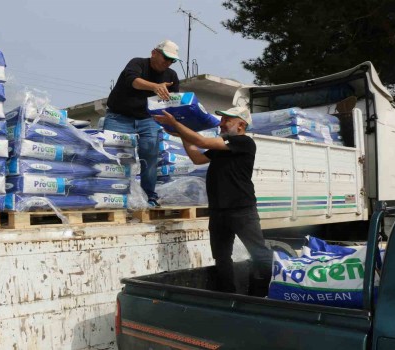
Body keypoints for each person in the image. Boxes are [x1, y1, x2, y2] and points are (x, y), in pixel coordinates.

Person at [153, 106, 273, 295]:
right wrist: (181, 133)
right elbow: (197, 157)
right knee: (222, 257)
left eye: (227, 120)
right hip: (218, 211)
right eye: (222, 119)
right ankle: (229, 296)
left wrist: (176, 124)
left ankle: (261, 295)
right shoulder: (221, 148)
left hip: (242, 210)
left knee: (260, 255)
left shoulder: (244, 142)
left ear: (241, 125)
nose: (221, 123)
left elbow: (200, 140)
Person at [103, 39, 181, 208]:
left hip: (148, 120)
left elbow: (173, 103)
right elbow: (134, 81)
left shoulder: (171, 76)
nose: (168, 63)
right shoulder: (137, 63)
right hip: (119, 117)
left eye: (172, 60)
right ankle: (114, 196)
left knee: (150, 156)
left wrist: (176, 125)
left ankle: (148, 197)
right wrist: (155, 87)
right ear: (154, 53)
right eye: (165, 58)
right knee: (114, 156)